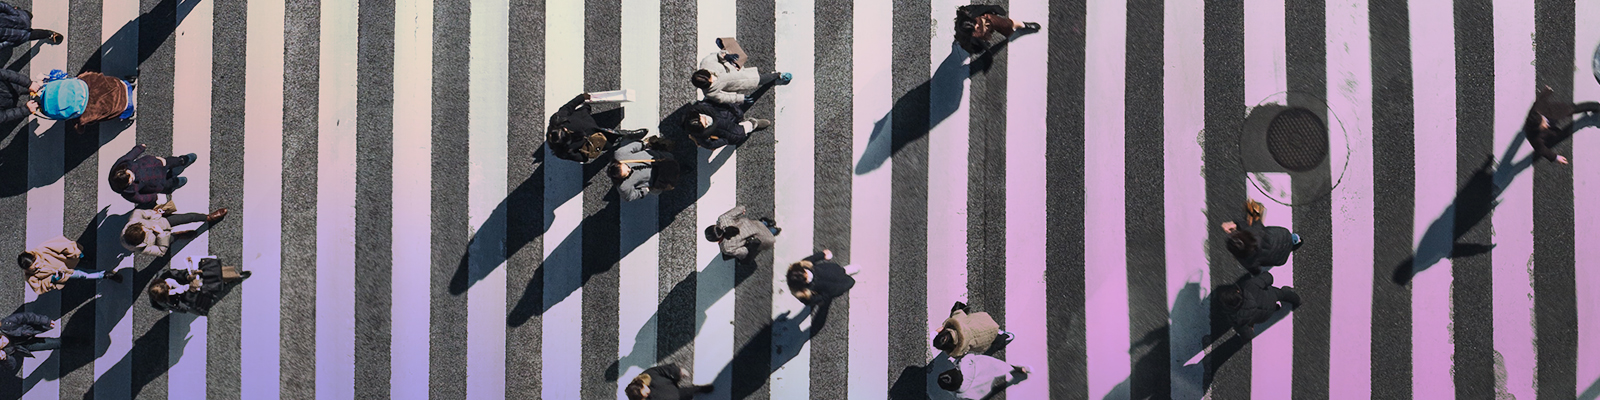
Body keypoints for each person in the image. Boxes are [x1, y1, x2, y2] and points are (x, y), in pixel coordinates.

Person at [547, 93, 648, 163]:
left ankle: (620, 136)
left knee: (588, 110)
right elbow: (583, 158)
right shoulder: (563, 151)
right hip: (595, 138)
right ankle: (627, 135)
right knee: (612, 136)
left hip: (584, 118)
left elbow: (569, 106)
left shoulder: (558, 119)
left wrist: (581, 97)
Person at [32, 69, 137, 131]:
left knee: (112, 112)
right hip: (118, 84)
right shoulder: (86, 78)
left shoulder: (84, 117)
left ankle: (129, 114)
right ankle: (128, 84)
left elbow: (81, 127)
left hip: (120, 106)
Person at [18, 235, 122, 295]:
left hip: (69, 261)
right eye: (34, 269)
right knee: (83, 275)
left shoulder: (43, 249)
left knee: (80, 258)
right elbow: (39, 288)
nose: (38, 267)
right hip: (66, 274)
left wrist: (76, 254)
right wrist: (52, 280)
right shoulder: (30, 277)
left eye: (36, 264)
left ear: (35, 256)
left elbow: (64, 246)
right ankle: (105, 275)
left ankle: (84, 257)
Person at [147, 256, 251, 315]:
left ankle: (235, 276)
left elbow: (177, 274)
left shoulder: (164, 275)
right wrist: (191, 291)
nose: (169, 284)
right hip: (188, 297)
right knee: (211, 294)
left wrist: (189, 276)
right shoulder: (166, 302)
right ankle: (227, 284)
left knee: (213, 273)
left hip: (187, 284)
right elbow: (184, 305)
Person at [1524, 85, 1600, 165]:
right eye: (1543, 127)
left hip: (1555, 111)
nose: (1545, 125)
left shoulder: (1537, 108)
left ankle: (1596, 106)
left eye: (1543, 123)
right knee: (1559, 134)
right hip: (1550, 129)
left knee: (1573, 108)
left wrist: (1547, 91)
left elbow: (1541, 100)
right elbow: (1542, 150)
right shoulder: (1533, 137)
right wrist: (1555, 157)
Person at [1220, 199, 1300, 275]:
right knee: (1292, 238)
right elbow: (1256, 211)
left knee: (1267, 263)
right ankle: (1296, 241)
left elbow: (1256, 271)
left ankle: (1292, 247)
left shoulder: (1248, 261)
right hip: (1282, 236)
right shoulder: (1255, 231)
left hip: (1280, 259)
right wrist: (1235, 223)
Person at [691, 49, 792, 107]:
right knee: (758, 79)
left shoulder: (706, 62)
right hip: (739, 82)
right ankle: (777, 76)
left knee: (754, 71)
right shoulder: (710, 93)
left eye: (711, 77)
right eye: (711, 82)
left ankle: (773, 76)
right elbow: (725, 97)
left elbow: (716, 55)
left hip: (735, 68)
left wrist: (725, 56)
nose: (713, 79)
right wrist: (741, 98)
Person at [1216, 270, 1301, 338]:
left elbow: (1248, 335)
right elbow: (1268, 278)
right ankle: (1297, 300)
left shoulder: (1237, 319)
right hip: (1271, 296)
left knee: (1263, 310)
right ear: (1237, 291)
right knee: (1282, 294)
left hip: (1264, 316)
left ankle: (1275, 308)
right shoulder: (1248, 285)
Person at [109, 143, 197, 208]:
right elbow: (142, 198)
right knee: (170, 184)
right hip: (157, 184)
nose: (133, 175)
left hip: (155, 164)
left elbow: (128, 156)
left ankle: (184, 160)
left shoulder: (120, 167)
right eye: (131, 179)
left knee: (175, 161)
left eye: (130, 173)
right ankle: (176, 182)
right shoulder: (128, 192)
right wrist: (155, 197)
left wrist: (139, 148)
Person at [121, 204, 228, 257]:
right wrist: (161, 234)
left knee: (187, 218)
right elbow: (161, 251)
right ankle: (179, 235)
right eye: (144, 231)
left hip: (162, 222)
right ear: (141, 240)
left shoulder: (134, 220)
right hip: (162, 237)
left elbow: (140, 212)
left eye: (142, 226)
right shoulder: (141, 248)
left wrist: (154, 214)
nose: (145, 228)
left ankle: (208, 217)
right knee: (172, 238)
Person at [933, 300, 1015, 358]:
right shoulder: (958, 320)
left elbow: (957, 354)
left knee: (993, 342)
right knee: (960, 310)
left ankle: (1004, 338)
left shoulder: (961, 348)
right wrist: (947, 324)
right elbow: (957, 311)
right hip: (985, 321)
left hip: (984, 340)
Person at [608, 137, 681, 201]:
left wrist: (646, 144)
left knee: (670, 157)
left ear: (619, 162)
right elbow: (629, 197)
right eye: (626, 174)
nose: (629, 170)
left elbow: (636, 146)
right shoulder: (623, 187)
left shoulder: (620, 154)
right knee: (669, 182)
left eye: (626, 167)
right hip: (656, 179)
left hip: (658, 158)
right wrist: (645, 190)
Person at [953, 4, 1041, 56]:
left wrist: (993, 14)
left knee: (1006, 25)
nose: (987, 28)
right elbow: (972, 48)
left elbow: (985, 8)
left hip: (988, 19)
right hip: (976, 40)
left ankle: (1022, 25)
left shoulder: (973, 12)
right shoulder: (968, 40)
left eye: (985, 25)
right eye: (984, 30)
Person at [680, 100, 770, 150]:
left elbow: (717, 101)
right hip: (727, 131)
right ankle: (753, 124)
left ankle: (741, 118)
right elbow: (710, 145)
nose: (707, 122)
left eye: (704, 119)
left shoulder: (703, 106)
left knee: (738, 112)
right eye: (706, 125)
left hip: (726, 115)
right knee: (740, 133)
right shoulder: (700, 136)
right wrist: (725, 140)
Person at [936, 353, 1031, 400]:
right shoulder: (964, 365)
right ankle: (1018, 369)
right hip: (988, 367)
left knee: (994, 390)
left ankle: (1007, 383)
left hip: (983, 390)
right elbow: (970, 356)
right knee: (1003, 367)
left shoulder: (960, 394)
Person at [705, 205, 779, 261]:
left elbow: (744, 252)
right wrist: (742, 210)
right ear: (714, 226)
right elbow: (741, 208)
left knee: (769, 233)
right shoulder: (723, 219)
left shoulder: (727, 248)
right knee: (760, 225)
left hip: (760, 238)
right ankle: (767, 223)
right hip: (753, 225)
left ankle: (775, 230)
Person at [785, 249, 857, 305]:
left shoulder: (803, 265)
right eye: (806, 278)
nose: (809, 275)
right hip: (834, 287)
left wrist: (822, 255)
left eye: (806, 272)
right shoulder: (805, 296)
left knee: (841, 271)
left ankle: (845, 271)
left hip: (831, 271)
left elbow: (812, 258)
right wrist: (826, 295)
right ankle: (847, 275)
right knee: (850, 282)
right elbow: (817, 299)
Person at [623, 363, 713, 400]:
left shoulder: (649, 374)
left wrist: (678, 371)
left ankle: (701, 388)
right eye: (644, 395)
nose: (647, 392)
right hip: (673, 396)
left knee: (691, 391)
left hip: (674, 390)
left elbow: (664, 370)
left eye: (644, 389)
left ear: (641, 383)